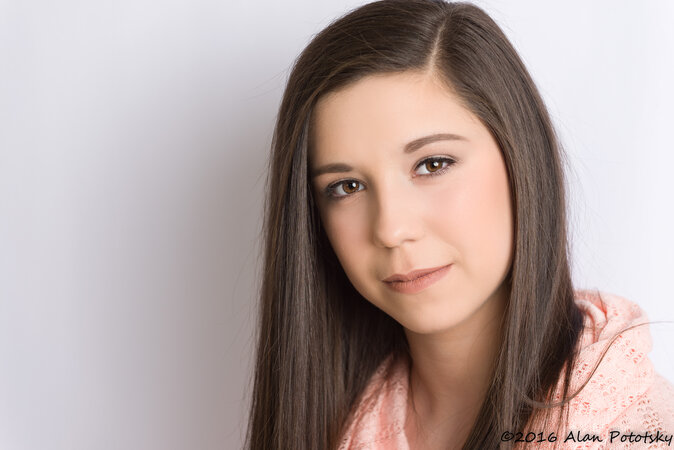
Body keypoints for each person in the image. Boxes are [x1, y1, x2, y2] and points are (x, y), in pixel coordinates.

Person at [244, 1, 674, 448]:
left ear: (521, 158)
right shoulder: (329, 417)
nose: (391, 229)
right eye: (347, 186)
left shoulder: (636, 432)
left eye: (433, 164)